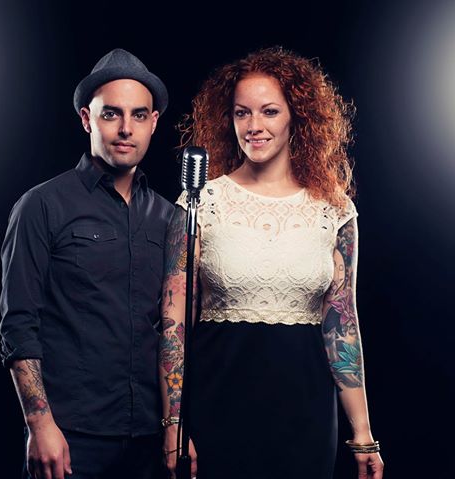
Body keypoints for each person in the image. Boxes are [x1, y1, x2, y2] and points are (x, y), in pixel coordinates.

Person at [159, 46, 385, 479]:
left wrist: (363, 434)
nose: (254, 126)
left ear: (297, 117)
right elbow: (173, 325)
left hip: (306, 415)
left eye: (269, 111)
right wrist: (174, 424)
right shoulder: (200, 203)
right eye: (242, 113)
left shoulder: (334, 210)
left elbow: (342, 325)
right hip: (216, 408)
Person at [0, 48, 174, 479]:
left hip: (149, 438)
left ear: (153, 122)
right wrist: (40, 425)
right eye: (111, 114)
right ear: (86, 119)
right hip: (71, 438)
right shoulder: (41, 205)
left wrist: (175, 426)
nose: (126, 128)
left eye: (138, 115)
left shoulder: (170, 217)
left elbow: (175, 332)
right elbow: (18, 324)